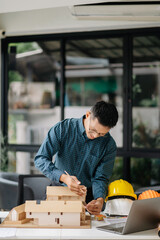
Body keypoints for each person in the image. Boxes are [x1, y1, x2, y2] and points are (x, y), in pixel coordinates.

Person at [34, 101, 118, 215]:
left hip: (86, 199)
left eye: (101, 134)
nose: (95, 136)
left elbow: (100, 178)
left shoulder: (108, 144)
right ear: (88, 115)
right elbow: (40, 159)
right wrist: (64, 178)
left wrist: (99, 200)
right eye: (92, 130)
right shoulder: (63, 129)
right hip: (58, 191)